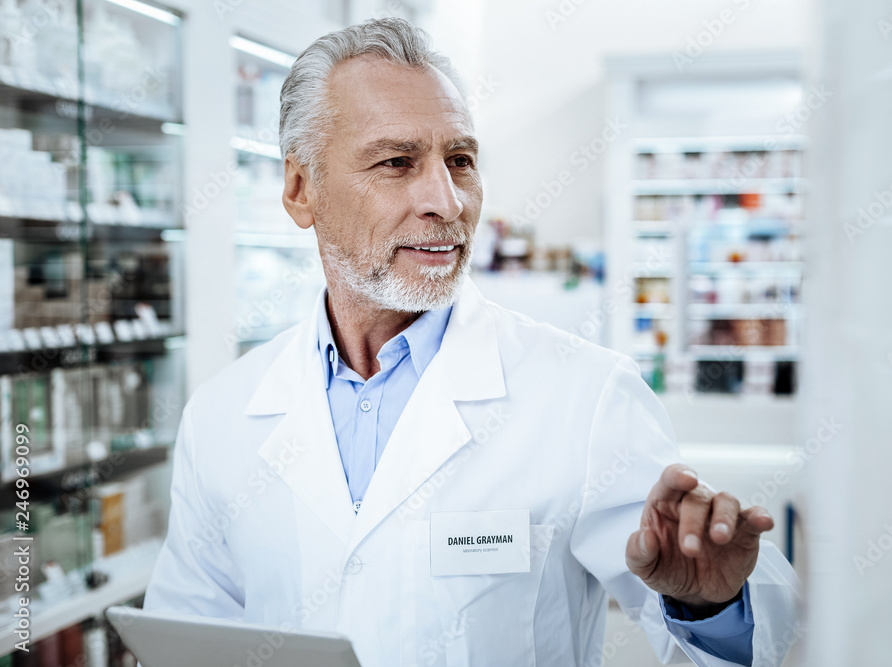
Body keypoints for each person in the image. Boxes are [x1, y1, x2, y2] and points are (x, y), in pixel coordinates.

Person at [144, 17, 798, 667]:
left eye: (460, 161)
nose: (447, 200)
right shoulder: (223, 414)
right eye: (397, 163)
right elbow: (187, 636)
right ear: (299, 188)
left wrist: (711, 609)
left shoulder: (583, 393)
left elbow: (736, 634)